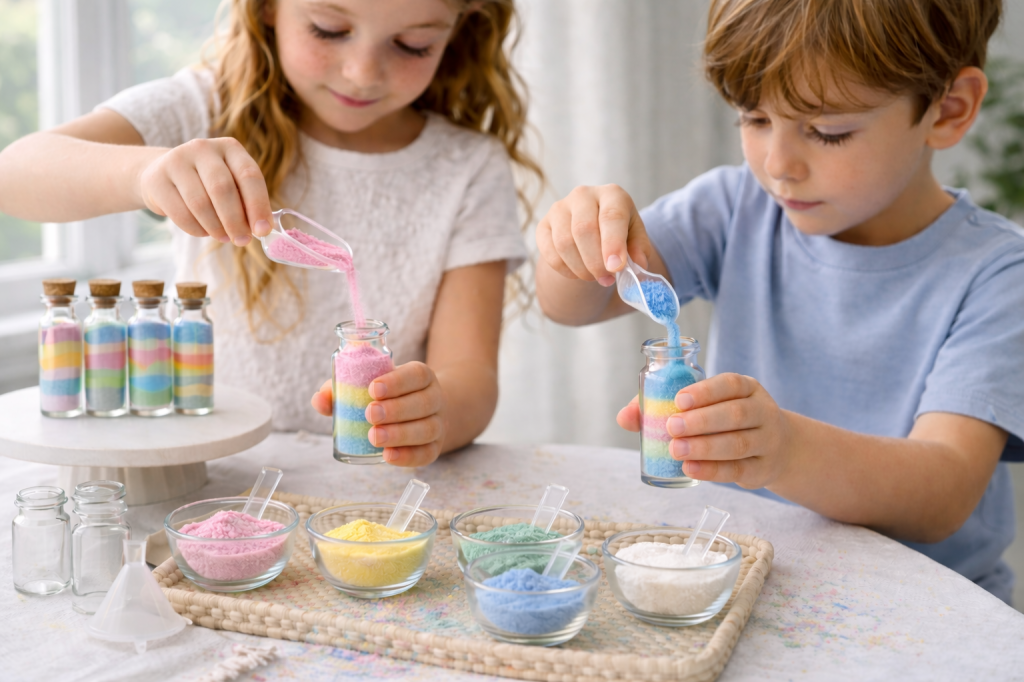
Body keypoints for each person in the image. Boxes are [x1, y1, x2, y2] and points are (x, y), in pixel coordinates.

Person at [534, 0, 1023, 603]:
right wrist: (573, 247)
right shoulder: (734, 207)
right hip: (753, 586)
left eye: (828, 131)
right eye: (753, 118)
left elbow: (942, 493)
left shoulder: (999, 274)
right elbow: (574, 306)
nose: (778, 165)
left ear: (948, 111)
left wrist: (783, 451)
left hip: (929, 607)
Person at [0, 0, 540, 468]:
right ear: (266, 9)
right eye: (329, 29)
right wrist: (143, 174)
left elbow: (469, 374)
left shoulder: (467, 166)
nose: (362, 72)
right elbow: (16, 173)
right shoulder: (204, 108)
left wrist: (433, 414)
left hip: (369, 488)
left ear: (462, 27)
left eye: (412, 43)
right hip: (214, 477)